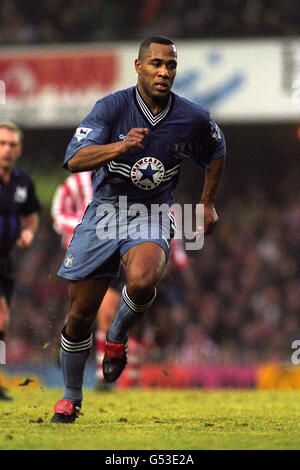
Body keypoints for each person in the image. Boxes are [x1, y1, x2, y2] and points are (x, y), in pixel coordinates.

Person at [51, 36, 226, 423]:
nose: (164, 72)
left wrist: (207, 202)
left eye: (171, 66)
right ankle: (70, 395)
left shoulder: (192, 116)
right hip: (104, 213)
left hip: (150, 212)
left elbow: (217, 150)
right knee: (80, 316)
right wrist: (119, 148)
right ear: (138, 66)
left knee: (144, 280)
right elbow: (74, 158)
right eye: (156, 64)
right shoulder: (111, 108)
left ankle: (115, 339)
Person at [0, 122, 41, 400]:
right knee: (0, 314)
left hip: (5, 259)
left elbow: (31, 214)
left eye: (12, 144)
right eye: (2, 143)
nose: (6, 150)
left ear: (19, 149)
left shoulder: (23, 182)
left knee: (2, 320)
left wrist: (28, 232)